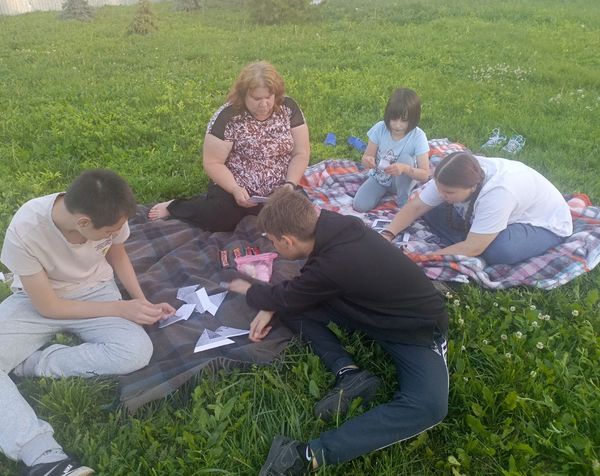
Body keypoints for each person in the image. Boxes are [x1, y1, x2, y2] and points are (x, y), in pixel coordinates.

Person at [228, 188, 448, 475]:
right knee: (290, 305)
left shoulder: (334, 264)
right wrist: (275, 303)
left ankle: (306, 455)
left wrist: (252, 292)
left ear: (287, 240)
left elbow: (300, 289)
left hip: (415, 330)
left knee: (429, 407)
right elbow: (298, 291)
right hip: (365, 307)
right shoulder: (334, 225)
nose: (272, 246)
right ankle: (350, 374)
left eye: (271, 240)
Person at [0, 169, 175, 476]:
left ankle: (31, 364)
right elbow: (49, 306)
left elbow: (118, 255)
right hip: (39, 300)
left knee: (135, 350)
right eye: (109, 232)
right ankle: (43, 457)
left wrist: (141, 301)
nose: (114, 235)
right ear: (82, 222)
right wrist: (121, 309)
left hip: (97, 291)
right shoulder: (27, 229)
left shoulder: (110, 214)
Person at [148, 61, 310, 232]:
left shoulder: (288, 108)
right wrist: (235, 189)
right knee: (220, 218)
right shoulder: (228, 117)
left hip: (280, 188)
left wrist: (290, 184)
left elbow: (301, 152)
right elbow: (213, 162)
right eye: (257, 99)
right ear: (243, 95)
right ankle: (177, 206)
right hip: (235, 187)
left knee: (298, 221)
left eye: (268, 97)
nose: (264, 104)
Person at [381, 151, 573, 265]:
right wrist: (387, 234)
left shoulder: (499, 192)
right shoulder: (453, 172)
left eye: (448, 192)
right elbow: (416, 206)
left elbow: (474, 248)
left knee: (499, 251)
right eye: (438, 188)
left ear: (472, 187)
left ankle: (476, 236)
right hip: (496, 210)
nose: (441, 193)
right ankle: (476, 234)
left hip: (541, 224)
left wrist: (422, 257)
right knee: (428, 209)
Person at [352, 88, 430, 212]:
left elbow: (425, 174)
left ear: (413, 119)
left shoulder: (418, 137)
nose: (397, 125)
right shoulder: (380, 129)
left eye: (404, 120)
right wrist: (368, 160)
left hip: (403, 180)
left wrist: (404, 168)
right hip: (380, 177)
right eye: (393, 119)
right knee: (359, 205)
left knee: (405, 159)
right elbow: (366, 157)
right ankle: (383, 191)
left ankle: (402, 198)